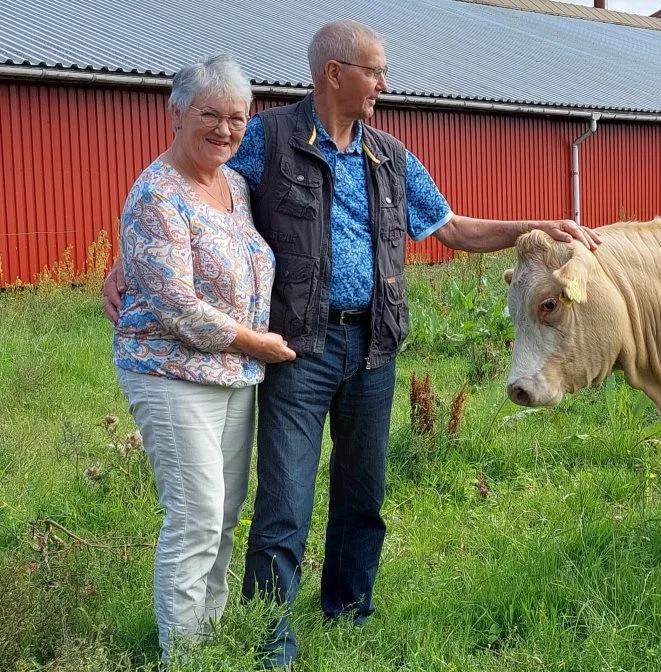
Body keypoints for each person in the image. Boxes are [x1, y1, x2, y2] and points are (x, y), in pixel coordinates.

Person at [106, 20, 599, 668]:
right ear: (334, 73)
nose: (384, 84)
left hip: (374, 344)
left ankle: (347, 609)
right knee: (284, 501)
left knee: (363, 492)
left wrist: (531, 226)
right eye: (374, 70)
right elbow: (195, 180)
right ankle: (267, 637)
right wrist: (127, 263)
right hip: (298, 346)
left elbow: (451, 228)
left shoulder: (389, 155)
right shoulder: (267, 137)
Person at [110, 54, 296, 664]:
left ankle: (209, 639)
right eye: (210, 114)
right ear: (175, 115)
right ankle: (183, 656)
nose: (224, 129)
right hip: (171, 372)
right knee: (194, 516)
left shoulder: (234, 186)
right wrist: (258, 342)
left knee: (223, 515)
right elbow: (178, 306)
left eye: (236, 117)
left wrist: (251, 353)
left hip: (235, 376)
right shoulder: (157, 193)